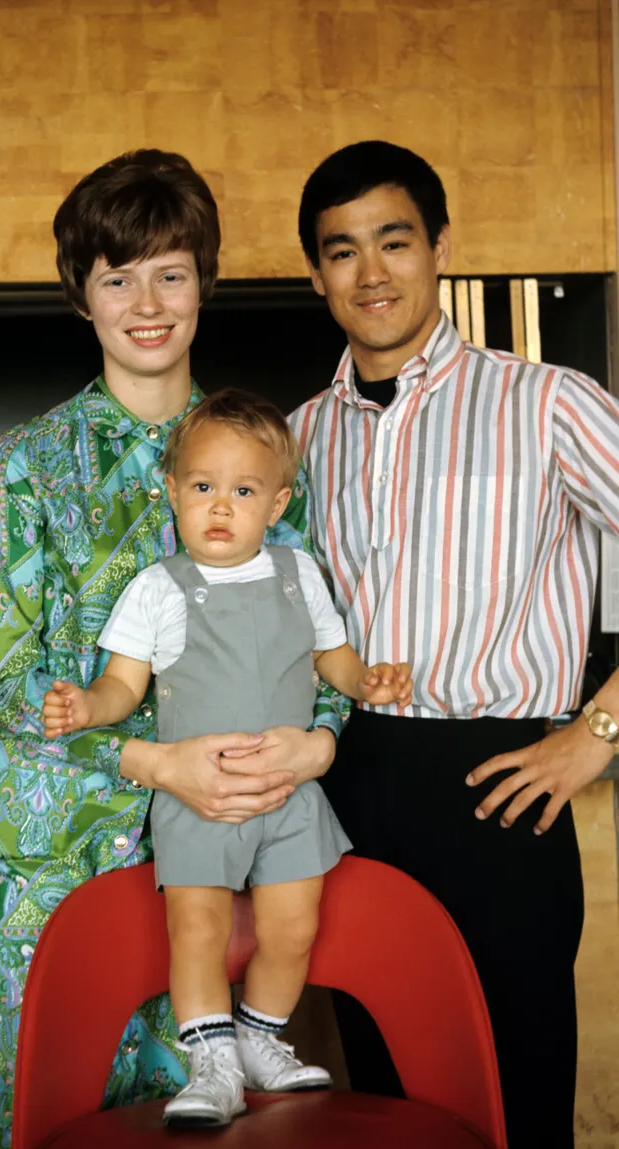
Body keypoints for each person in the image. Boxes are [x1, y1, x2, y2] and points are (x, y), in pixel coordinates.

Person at [0, 150, 352, 1149]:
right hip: (57, 852)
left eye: (171, 272)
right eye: (117, 276)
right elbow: (15, 682)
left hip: (231, 837)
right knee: (51, 1106)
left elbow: (323, 641)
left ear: (203, 284)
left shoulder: (265, 459)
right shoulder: (29, 464)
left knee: (212, 1120)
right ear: (80, 296)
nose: (148, 301)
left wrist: (321, 744)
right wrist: (149, 760)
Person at [290, 139, 619, 1149]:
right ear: (317, 275)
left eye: (394, 241)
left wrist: (598, 730)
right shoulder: (297, 437)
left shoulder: (547, 402)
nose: (371, 272)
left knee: (511, 1105)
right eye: (342, 252)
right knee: (386, 1110)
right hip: (349, 796)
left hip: (500, 789)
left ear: (440, 248)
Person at [41, 389, 413, 1128]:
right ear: (173, 492)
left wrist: (363, 679)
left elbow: (331, 655)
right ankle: (212, 1062)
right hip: (196, 797)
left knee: (293, 929)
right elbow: (124, 684)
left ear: (275, 505)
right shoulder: (158, 588)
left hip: (288, 793)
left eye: (242, 491)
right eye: (203, 487)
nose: (220, 506)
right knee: (200, 930)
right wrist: (88, 706)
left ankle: (259, 1035)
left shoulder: (296, 572)